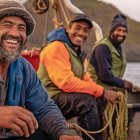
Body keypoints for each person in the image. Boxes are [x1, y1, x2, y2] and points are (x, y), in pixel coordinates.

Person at [0, 0, 83, 140]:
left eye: (21, 28)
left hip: (9, 135)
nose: (15, 34)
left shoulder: (23, 68)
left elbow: (44, 108)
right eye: (7, 25)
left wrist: (63, 134)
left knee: (48, 134)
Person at [37, 13, 119, 140]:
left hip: (61, 97)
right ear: (68, 28)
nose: (81, 33)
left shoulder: (75, 53)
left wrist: (103, 93)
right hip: (46, 98)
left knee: (97, 98)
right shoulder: (56, 47)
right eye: (77, 28)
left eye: (86, 30)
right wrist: (102, 92)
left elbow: (86, 79)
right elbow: (66, 83)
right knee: (86, 102)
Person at [88, 13, 133, 91]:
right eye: (118, 30)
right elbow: (105, 76)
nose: (121, 34)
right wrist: (124, 83)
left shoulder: (118, 46)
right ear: (112, 31)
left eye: (124, 31)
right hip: (98, 94)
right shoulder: (103, 47)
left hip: (112, 90)